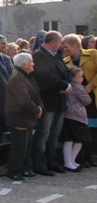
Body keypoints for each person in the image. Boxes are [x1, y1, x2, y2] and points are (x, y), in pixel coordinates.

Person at [31, 31, 71, 176]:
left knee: (55, 133)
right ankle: (39, 164)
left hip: (60, 101)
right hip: (47, 101)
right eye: (59, 42)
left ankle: (52, 161)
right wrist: (63, 86)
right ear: (53, 41)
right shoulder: (38, 55)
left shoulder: (57, 55)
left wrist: (66, 84)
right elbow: (45, 76)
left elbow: (67, 72)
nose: (60, 46)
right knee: (43, 133)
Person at [4, 53, 42, 180]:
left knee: (27, 145)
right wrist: (36, 110)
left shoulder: (27, 76)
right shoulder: (17, 78)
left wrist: (40, 107)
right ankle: (14, 170)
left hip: (27, 118)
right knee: (19, 146)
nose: (34, 64)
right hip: (18, 118)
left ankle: (25, 168)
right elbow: (24, 100)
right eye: (31, 61)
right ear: (24, 64)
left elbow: (35, 94)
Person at [62, 33, 97, 167]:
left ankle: (92, 155)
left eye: (67, 47)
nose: (65, 50)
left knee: (93, 127)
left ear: (75, 45)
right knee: (82, 129)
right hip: (77, 101)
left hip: (93, 95)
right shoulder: (66, 62)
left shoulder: (93, 54)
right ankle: (83, 157)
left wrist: (91, 84)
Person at [63, 66, 91, 171]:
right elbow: (87, 100)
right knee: (76, 139)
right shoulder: (78, 87)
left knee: (71, 139)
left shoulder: (69, 86)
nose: (82, 79)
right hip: (76, 115)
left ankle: (70, 161)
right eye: (80, 77)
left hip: (68, 114)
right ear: (74, 78)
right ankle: (69, 161)